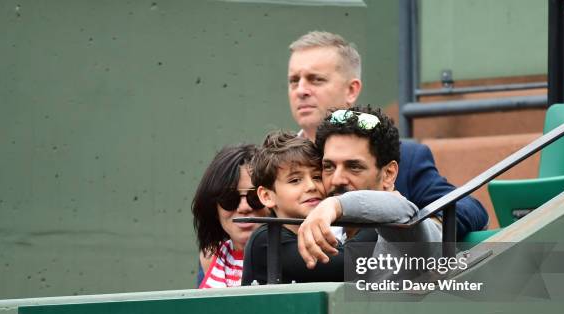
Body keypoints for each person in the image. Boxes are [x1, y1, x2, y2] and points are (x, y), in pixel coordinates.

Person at [287, 31, 488, 239]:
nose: (301, 90)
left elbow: (467, 207)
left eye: (315, 79)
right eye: (294, 81)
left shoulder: (406, 157)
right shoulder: (275, 161)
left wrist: (420, 233)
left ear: (351, 90)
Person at [297, 106, 441, 275]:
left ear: (389, 174)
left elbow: (401, 210)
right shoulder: (322, 227)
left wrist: (334, 205)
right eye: (328, 167)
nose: (336, 179)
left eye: (354, 167)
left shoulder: (404, 226)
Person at [241, 131, 344, 285]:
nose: (311, 186)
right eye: (295, 180)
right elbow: (351, 265)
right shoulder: (267, 240)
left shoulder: (324, 236)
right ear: (267, 196)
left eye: (317, 177)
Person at [192, 144, 269, 288]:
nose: (244, 207)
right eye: (229, 199)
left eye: (255, 197)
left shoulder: (293, 253)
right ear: (213, 207)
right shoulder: (211, 256)